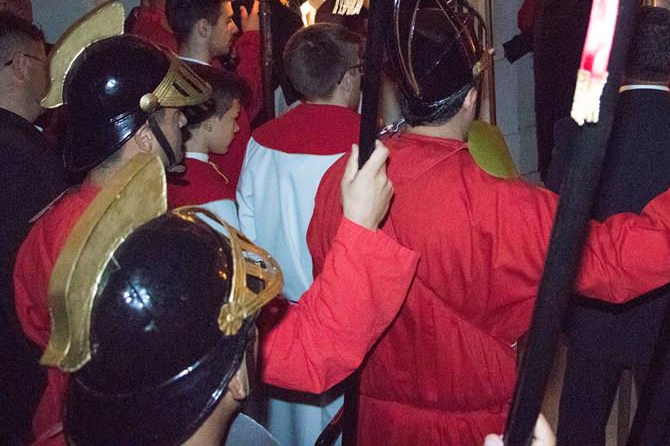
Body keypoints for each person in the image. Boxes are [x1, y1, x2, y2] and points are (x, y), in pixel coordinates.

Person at [305, 0, 670, 446]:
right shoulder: (502, 208)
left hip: (373, 423)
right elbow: (618, 260)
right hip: (468, 430)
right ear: (472, 97)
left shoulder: (342, 182)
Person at [42, 139, 417, 446]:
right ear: (237, 377)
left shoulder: (65, 228)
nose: (183, 119)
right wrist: (359, 227)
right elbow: (310, 347)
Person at [13, 1, 210, 444]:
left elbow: (36, 327)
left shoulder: (53, 219)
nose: (183, 119)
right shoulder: (132, 240)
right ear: (142, 135)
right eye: (172, 112)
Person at [546, 7, 670, 446]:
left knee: (581, 424)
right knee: (662, 425)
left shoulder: (576, 129)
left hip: (597, 304)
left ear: (619, 56)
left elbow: (556, 217)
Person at [236, 23, 362, 445]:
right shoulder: (366, 145)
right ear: (347, 79)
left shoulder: (260, 141)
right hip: (343, 323)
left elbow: (247, 237)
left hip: (282, 325)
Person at [0, 13, 68, 444]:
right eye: (45, 60)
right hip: (19, 360)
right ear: (22, 65)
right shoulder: (20, 153)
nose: (50, 73)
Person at [502, 0, 597, 179]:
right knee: (546, 133)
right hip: (545, 78)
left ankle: (569, 185)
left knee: (570, 135)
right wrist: (507, 50)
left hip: (574, 77)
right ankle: (547, 180)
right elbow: (538, 28)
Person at [165, 0, 261, 185]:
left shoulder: (170, 77)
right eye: (227, 21)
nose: (234, 28)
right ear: (203, 28)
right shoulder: (203, 89)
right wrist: (252, 41)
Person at [167, 64, 248, 223]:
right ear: (209, 123)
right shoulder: (213, 197)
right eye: (233, 118)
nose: (237, 128)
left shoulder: (166, 171)